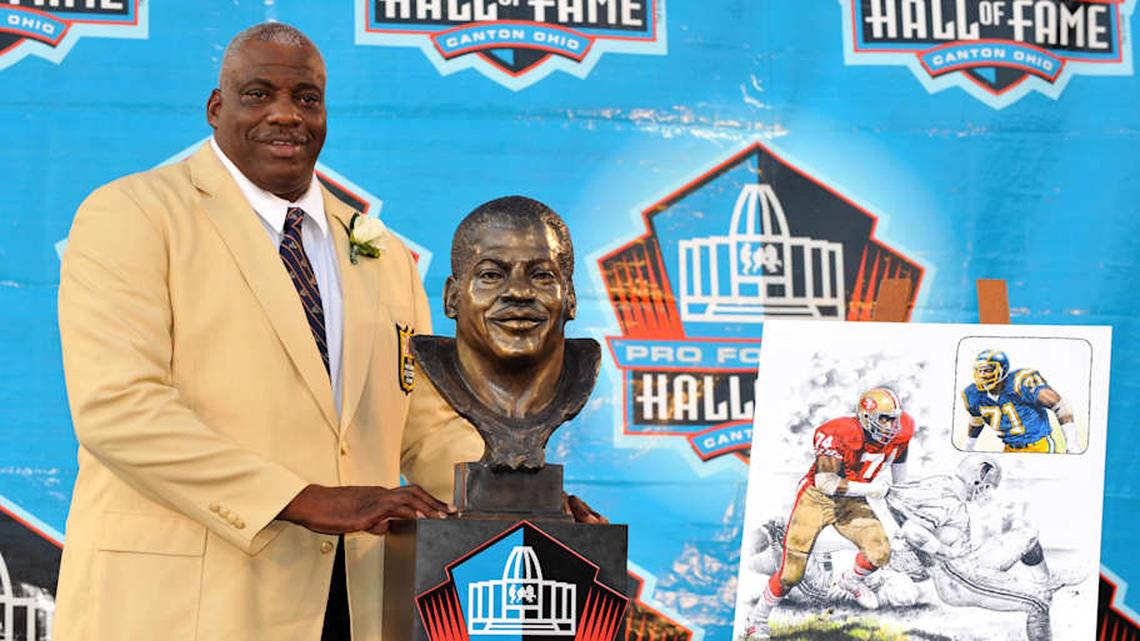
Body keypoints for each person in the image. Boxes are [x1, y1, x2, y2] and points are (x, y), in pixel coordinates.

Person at [54, 23, 482, 641]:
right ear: (216, 107)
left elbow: (425, 424)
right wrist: (304, 498)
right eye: (259, 94)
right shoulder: (134, 214)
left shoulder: (378, 251)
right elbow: (118, 409)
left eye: (306, 98)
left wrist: (522, 497)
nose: (286, 115)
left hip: (348, 604)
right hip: (182, 606)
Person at [744, 387, 914, 640]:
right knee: (792, 573)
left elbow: (899, 466)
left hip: (852, 499)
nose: (892, 425)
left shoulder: (901, 432)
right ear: (866, 417)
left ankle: (850, 580)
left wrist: (901, 495)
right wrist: (872, 489)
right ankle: (755, 620)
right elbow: (826, 482)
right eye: (884, 418)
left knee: (879, 552)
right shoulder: (839, 432)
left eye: (894, 418)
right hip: (816, 498)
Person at [885, 455, 1080, 641]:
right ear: (976, 479)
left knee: (1028, 535)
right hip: (959, 581)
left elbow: (902, 507)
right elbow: (912, 531)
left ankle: (1044, 582)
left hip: (968, 564)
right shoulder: (948, 500)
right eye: (987, 486)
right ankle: (1042, 592)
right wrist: (947, 551)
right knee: (1039, 602)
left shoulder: (945, 483)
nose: (986, 492)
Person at [961, 349, 1082, 453]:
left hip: (1039, 447)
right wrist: (968, 446)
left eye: (987, 370)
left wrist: (1072, 444)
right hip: (1009, 449)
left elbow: (1060, 405)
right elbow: (976, 419)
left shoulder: (1019, 383)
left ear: (1003, 369)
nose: (982, 375)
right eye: (979, 370)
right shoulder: (973, 394)